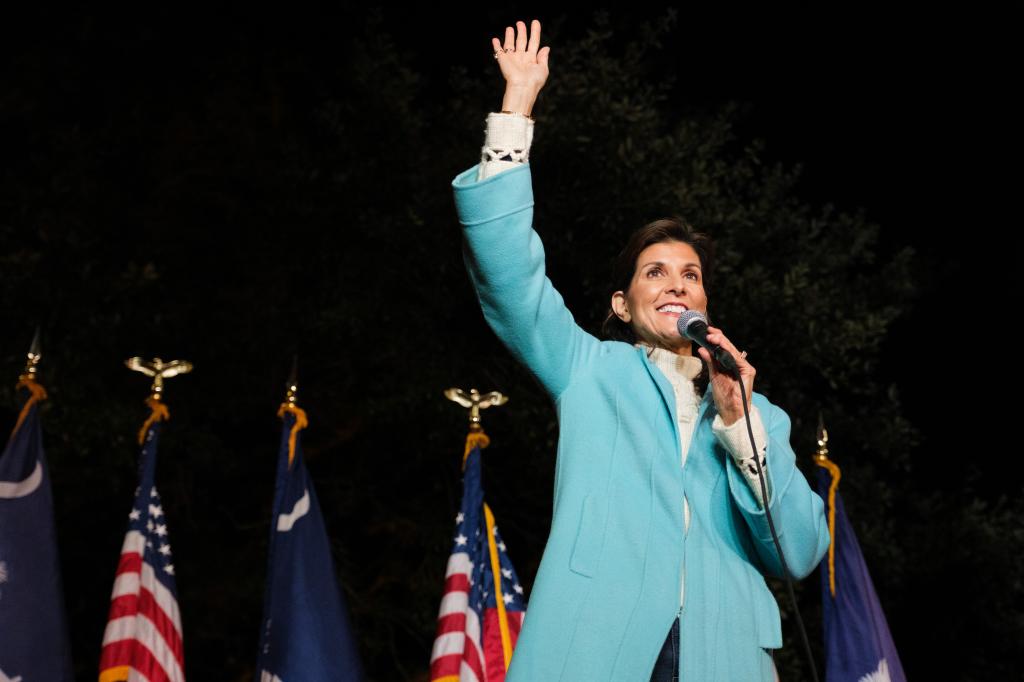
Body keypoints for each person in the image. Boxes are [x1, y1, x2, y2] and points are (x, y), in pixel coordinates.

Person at [451, 19, 830, 681]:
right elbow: (510, 277)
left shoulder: (755, 412)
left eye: (691, 275)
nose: (677, 283)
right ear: (622, 306)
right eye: (655, 272)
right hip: (594, 649)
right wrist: (514, 113)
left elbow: (797, 551)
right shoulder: (589, 371)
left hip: (725, 660)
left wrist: (739, 424)